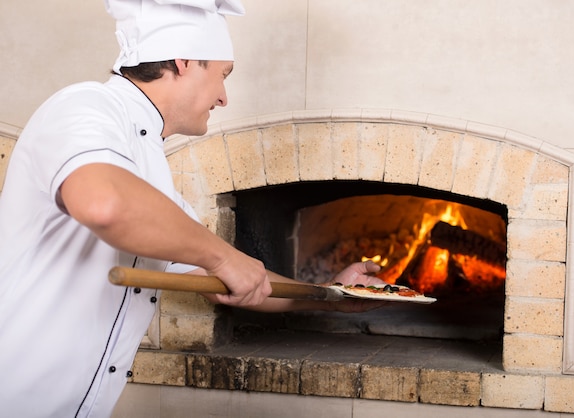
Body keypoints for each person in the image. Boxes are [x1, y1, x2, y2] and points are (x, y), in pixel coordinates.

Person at [0, 1, 384, 417]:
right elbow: (105, 203)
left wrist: (332, 295)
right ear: (183, 62)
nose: (223, 97)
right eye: (222, 75)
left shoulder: (149, 176)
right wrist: (224, 254)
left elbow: (222, 279)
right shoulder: (84, 107)